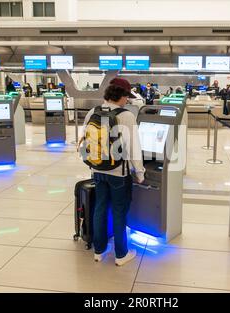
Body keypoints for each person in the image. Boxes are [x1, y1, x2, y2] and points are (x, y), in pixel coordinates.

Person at [81, 78, 145, 266]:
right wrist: (139, 173)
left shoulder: (93, 112)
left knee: (100, 207)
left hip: (98, 169)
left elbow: (86, 140)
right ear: (121, 95)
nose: (128, 100)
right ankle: (121, 254)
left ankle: (98, 251)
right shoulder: (126, 116)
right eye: (127, 96)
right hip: (119, 173)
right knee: (119, 211)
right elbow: (134, 148)